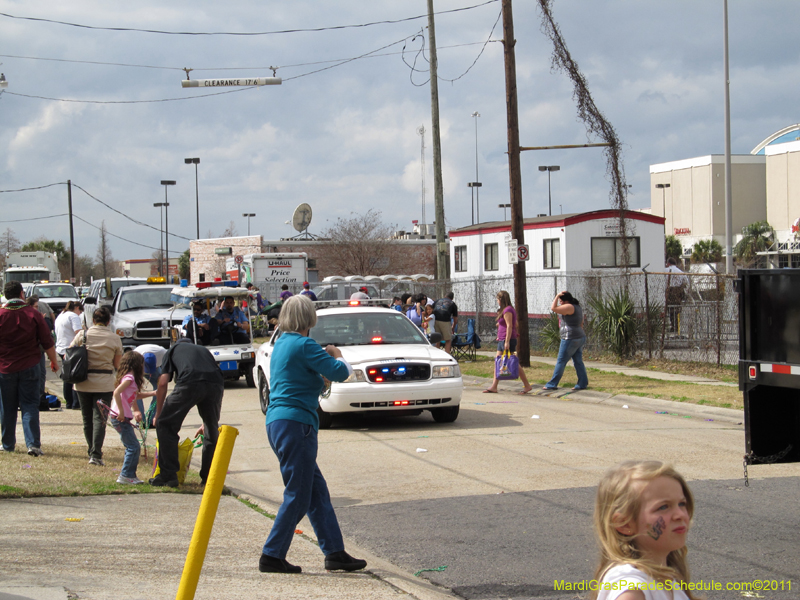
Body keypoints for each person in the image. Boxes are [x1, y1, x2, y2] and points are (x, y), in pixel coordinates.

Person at [259, 295, 366, 574]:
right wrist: (336, 355)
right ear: (309, 318)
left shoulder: (282, 343)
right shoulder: (305, 345)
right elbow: (341, 373)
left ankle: (335, 552)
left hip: (278, 421)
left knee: (315, 491)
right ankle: (272, 554)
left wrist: (320, 378)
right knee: (298, 494)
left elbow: (298, 379)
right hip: (297, 424)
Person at [592, 461, 695, 600]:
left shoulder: (662, 575)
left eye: (682, 504)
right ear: (624, 524)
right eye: (663, 507)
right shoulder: (632, 588)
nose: (680, 515)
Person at [150, 338, 224, 487]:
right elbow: (210, 380)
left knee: (165, 425)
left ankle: (168, 476)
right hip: (216, 384)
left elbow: (163, 383)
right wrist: (207, 420)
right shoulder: (203, 350)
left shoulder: (172, 350)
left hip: (190, 381)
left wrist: (158, 414)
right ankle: (209, 479)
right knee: (211, 430)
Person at [0, 281, 59, 456]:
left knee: (7, 407)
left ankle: (7, 444)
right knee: (29, 405)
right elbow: (47, 341)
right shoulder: (33, 314)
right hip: (30, 366)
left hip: (5, 367)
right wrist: (53, 361)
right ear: (21, 294)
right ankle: (33, 444)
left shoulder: (1, 314)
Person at [72, 306, 123, 466]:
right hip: (104, 383)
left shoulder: (83, 335)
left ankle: (91, 450)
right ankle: (96, 454)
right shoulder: (114, 338)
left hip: (83, 382)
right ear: (108, 321)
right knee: (100, 419)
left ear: (93, 320)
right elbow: (117, 364)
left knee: (87, 419)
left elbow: (70, 353)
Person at [110, 352, 156, 485]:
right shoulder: (129, 378)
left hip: (122, 417)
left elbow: (135, 396)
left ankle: (129, 475)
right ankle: (126, 475)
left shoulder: (129, 378)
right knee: (133, 447)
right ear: (137, 364)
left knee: (132, 446)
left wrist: (153, 393)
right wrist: (121, 411)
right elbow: (116, 393)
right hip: (120, 417)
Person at [483, 290, 533, 394]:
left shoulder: (508, 310)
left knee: (513, 362)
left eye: (497, 299)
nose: (497, 301)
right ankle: (494, 386)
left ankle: (527, 385)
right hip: (502, 339)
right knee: (498, 362)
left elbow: (510, 325)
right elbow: (515, 324)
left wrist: (507, 341)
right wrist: (501, 325)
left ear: (501, 299)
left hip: (507, 339)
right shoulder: (505, 310)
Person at [543, 291, 588, 391]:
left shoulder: (569, 307)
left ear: (565, 300)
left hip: (570, 338)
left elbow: (553, 308)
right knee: (578, 361)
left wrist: (556, 296)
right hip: (579, 336)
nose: (560, 303)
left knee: (561, 361)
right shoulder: (577, 307)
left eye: (560, 301)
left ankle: (552, 384)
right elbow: (581, 323)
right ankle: (582, 383)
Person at [54, 300, 84, 409]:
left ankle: (69, 402)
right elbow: (79, 333)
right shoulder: (73, 316)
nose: (79, 314)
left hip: (61, 348)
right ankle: (76, 402)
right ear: (77, 308)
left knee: (67, 376)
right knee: (75, 376)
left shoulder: (61, 315)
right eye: (80, 312)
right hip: (71, 349)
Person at [26, 296, 53, 411]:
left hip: (40, 351)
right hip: (32, 353)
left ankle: (40, 397)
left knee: (41, 374)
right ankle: (35, 398)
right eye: (36, 307)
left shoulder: (37, 317)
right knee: (36, 375)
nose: (38, 309)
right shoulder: (29, 318)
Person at [665, 258, 688, 333]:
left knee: (670, 309)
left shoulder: (665, 270)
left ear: (668, 263)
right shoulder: (680, 272)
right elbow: (686, 282)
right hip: (678, 292)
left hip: (670, 291)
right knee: (676, 309)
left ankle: (673, 326)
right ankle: (676, 326)